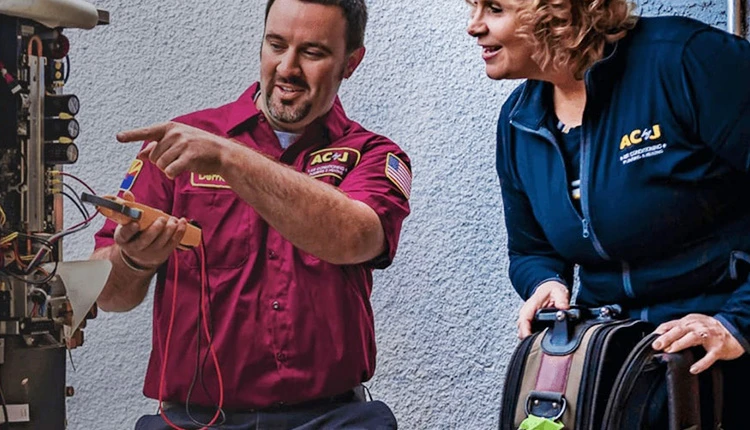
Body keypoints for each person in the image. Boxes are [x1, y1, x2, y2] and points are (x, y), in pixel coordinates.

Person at [91, 0, 411, 428]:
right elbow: (108, 294)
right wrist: (134, 259)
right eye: (275, 44)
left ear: (351, 62)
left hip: (332, 417)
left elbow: (355, 235)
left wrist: (230, 159)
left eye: (312, 52)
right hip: (197, 420)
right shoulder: (183, 145)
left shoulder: (372, 154)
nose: (287, 68)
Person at [466, 0, 750, 427]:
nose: (474, 27)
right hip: (619, 370)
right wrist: (545, 282)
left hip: (725, 360)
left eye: (494, 8)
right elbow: (530, 249)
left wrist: (737, 323)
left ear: (559, 11)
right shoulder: (518, 120)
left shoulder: (686, 59)